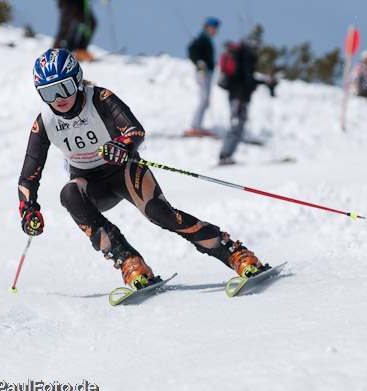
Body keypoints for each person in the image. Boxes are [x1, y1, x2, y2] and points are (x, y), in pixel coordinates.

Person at [18, 48, 270, 290]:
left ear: (78, 80)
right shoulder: (45, 122)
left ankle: (236, 254)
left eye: (65, 88)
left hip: (123, 171)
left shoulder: (100, 98)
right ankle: (130, 263)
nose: (58, 98)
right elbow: (29, 175)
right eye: (48, 92)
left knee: (160, 214)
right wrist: (28, 210)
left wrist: (121, 146)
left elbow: (135, 130)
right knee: (68, 194)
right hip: (90, 184)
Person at [218, 34, 268, 165]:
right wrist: (260, 83)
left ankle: (226, 154)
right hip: (239, 95)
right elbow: (248, 78)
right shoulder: (246, 55)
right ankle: (225, 155)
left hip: (237, 94)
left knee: (238, 123)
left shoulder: (242, 55)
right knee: (236, 124)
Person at [185, 17, 220, 137]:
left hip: (208, 72)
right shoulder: (202, 39)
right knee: (204, 99)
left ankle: (197, 125)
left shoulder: (208, 40)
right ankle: (195, 125)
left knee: (206, 99)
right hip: (203, 73)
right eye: (212, 28)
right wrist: (198, 62)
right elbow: (191, 50)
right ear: (207, 28)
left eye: (216, 28)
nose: (214, 30)